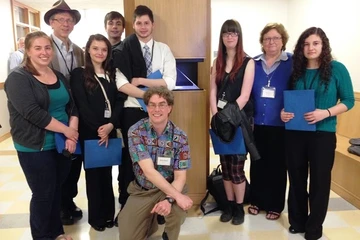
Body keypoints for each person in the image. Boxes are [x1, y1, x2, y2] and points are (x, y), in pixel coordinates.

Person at [281, 27, 354, 240]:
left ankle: (314, 228)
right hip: (296, 132)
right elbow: (288, 101)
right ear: (301, 47)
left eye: (315, 43)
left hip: (323, 134)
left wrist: (326, 113)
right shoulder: (297, 70)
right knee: (296, 178)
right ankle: (297, 221)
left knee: (320, 182)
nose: (310, 48)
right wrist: (284, 112)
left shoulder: (337, 69)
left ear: (323, 45)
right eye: (306, 44)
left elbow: (349, 101)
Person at [4, 31, 79, 240]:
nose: (44, 52)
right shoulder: (18, 78)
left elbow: (72, 106)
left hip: (61, 144)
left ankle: (56, 233)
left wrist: (71, 135)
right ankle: (41, 236)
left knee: (56, 191)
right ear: (27, 51)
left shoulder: (59, 76)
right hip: (35, 146)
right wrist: (67, 131)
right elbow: (32, 113)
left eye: (47, 48)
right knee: (43, 194)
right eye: (37, 48)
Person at [112, 5, 176, 210]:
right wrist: (148, 97)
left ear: (153, 25)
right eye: (138, 23)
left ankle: (159, 204)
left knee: (160, 158)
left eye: (146, 23)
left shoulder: (164, 49)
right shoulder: (123, 50)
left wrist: (141, 81)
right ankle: (127, 205)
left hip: (159, 112)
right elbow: (121, 83)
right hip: (132, 110)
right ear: (134, 25)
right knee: (130, 159)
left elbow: (170, 81)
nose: (142, 27)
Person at [118, 86, 193, 240]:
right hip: (143, 189)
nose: (156, 109)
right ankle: (150, 221)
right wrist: (177, 197)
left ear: (169, 108)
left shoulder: (180, 137)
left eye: (162, 104)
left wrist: (170, 199)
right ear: (147, 107)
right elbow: (148, 171)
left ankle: (169, 235)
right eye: (152, 104)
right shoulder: (136, 131)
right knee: (126, 234)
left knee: (177, 211)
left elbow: (180, 178)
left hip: (170, 187)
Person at [70, 34, 124, 232]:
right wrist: (97, 129)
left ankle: (108, 214)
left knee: (107, 174)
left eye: (104, 49)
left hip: (109, 131)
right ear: (88, 50)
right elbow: (81, 105)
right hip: (90, 133)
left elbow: (119, 100)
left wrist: (110, 125)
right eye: (95, 48)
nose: (99, 53)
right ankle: (97, 219)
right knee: (93, 176)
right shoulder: (79, 74)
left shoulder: (112, 73)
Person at [209, 19, 255, 225]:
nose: (230, 37)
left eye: (234, 33)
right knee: (225, 167)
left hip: (238, 121)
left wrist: (225, 116)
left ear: (239, 36)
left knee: (237, 168)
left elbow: (244, 96)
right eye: (226, 33)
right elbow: (212, 90)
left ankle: (239, 208)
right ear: (221, 37)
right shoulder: (216, 61)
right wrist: (214, 115)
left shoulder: (248, 62)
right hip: (220, 121)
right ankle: (227, 205)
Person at [44, 0, 85, 225]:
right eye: (61, 19)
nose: (66, 24)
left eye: (70, 20)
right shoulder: (43, 46)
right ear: (51, 21)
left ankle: (69, 201)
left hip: (75, 112)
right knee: (57, 161)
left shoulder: (79, 51)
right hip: (54, 112)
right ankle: (59, 206)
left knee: (73, 161)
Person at [249, 23, 292, 220]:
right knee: (258, 163)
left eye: (275, 38)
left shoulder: (291, 62)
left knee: (277, 165)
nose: (271, 42)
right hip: (257, 123)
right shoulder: (254, 63)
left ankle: (275, 204)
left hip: (280, 124)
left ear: (282, 41)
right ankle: (257, 200)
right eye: (267, 39)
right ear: (262, 42)